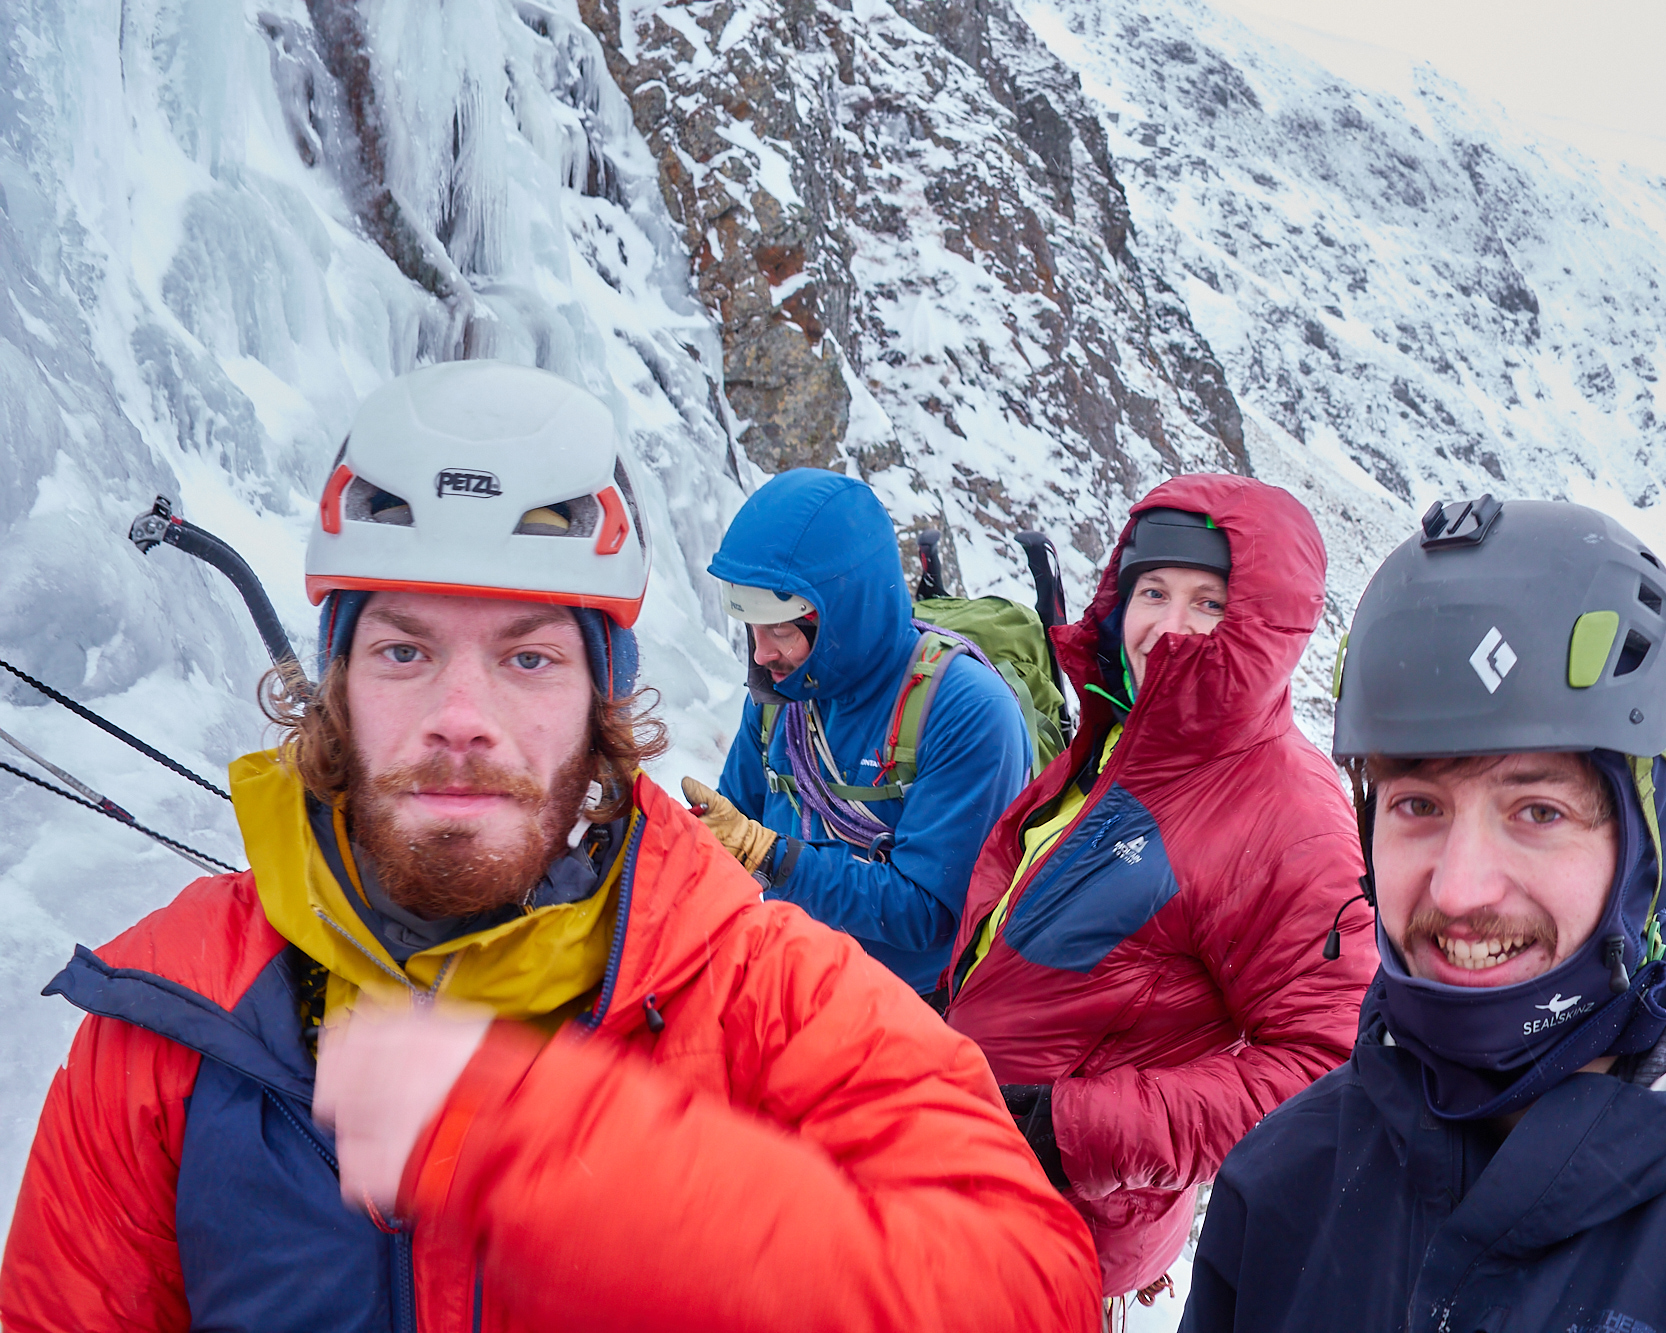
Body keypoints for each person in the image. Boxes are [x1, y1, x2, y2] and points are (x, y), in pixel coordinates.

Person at [0, 362, 1099, 1332]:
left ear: (601, 708)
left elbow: (1030, 1288)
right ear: (334, 686)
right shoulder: (171, 1022)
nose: (461, 715)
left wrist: (549, 1147)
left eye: (528, 660)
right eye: (401, 651)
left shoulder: (765, 994)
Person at [1184, 497, 1666, 1333]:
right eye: (1418, 804)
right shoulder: (1282, 1190)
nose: (1459, 890)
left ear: (1649, 844)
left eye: (1538, 812)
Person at [940, 476, 1381, 1319]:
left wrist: (1069, 1129)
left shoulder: (1287, 817)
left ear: (1264, 621)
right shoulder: (1123, 738)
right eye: (1152, 591)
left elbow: (1327, 1070)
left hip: (1059, 1221)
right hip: (973, 1171)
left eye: (1208, 602)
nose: (1166, 628)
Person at [685, 467, 1033, 997]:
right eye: (752, 628)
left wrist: (772, 858)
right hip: (783, 986)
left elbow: (928, 912)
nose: (759, 653)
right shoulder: (783, 695)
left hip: (909, 1015)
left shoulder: (968, 713)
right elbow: (733, 825)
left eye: (779, 629)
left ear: (843, 611)